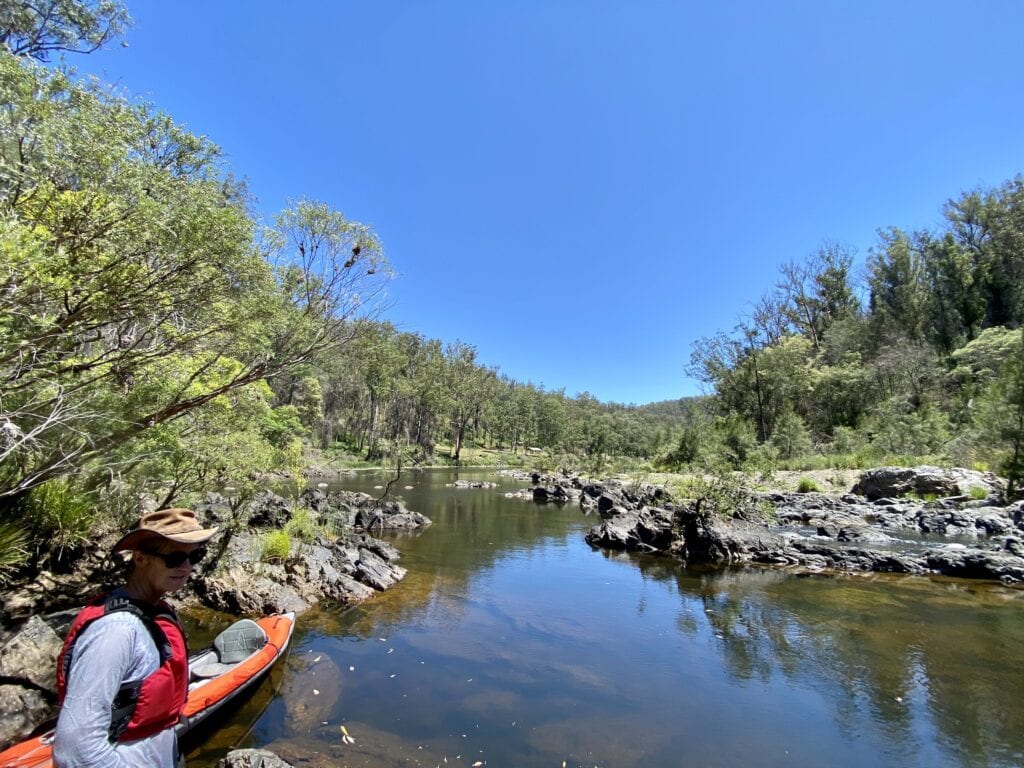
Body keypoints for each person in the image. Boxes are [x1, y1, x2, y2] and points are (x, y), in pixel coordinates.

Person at [53, 508, 218, 768]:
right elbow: (76, 750)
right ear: (140, 558)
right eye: (174, 558)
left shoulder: (151, 609)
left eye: (195, 555)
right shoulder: (117, 631)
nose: (187, 567)